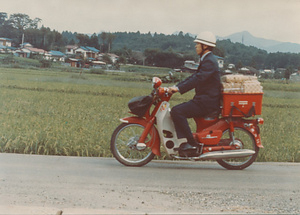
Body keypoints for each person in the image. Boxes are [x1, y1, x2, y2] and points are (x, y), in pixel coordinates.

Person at [168, 31, 221, 152]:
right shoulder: (207, 59)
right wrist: (177, 86)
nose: (195, 46)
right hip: (204, 100)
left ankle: (191, 144)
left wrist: (178, 89)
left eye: (198, 44)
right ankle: (187, 142)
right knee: (178, 110)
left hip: (206, 102)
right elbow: (194, 77)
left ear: (205, 46)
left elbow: (198, 78)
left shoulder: (209, 61)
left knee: (177, 111)